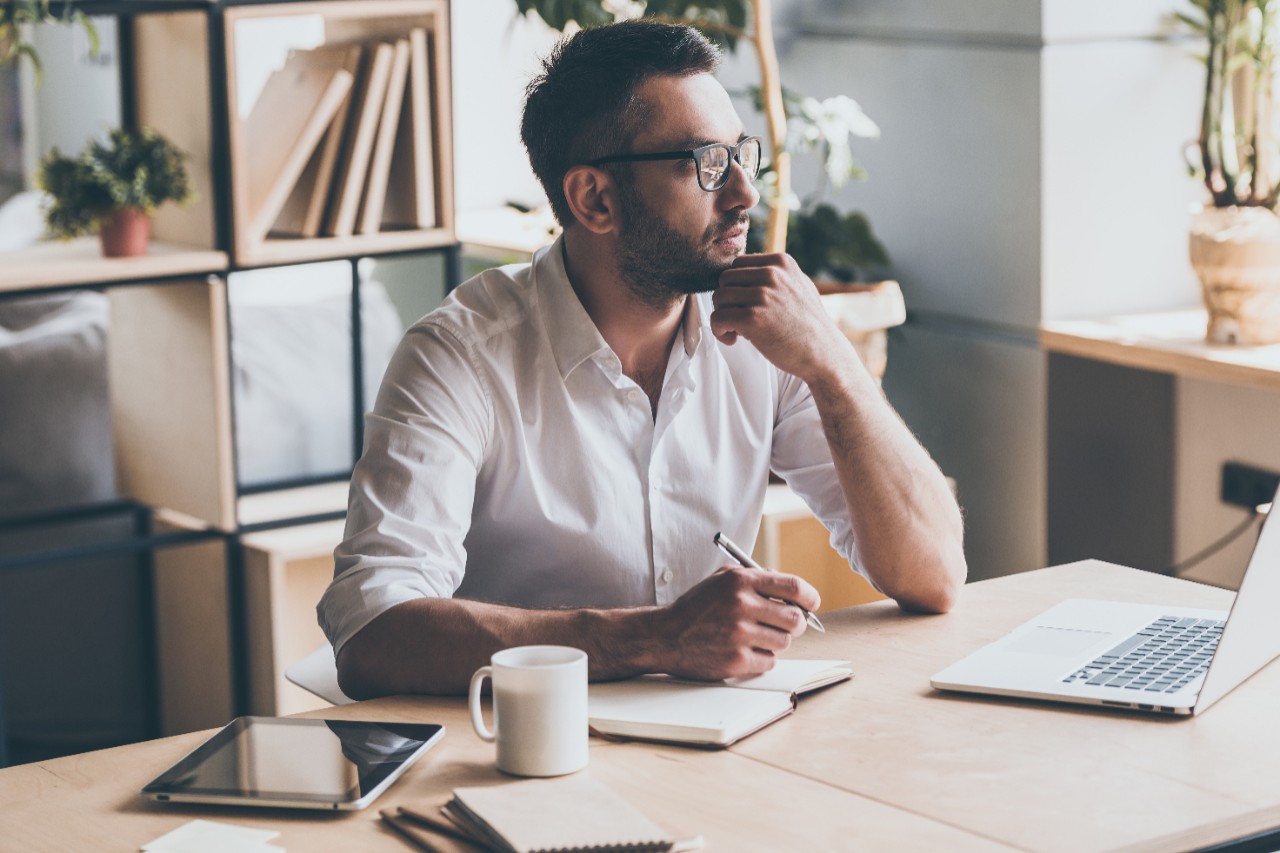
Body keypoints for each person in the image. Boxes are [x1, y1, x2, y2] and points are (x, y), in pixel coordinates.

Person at [318, 19, 966, 698]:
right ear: (595, 198)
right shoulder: (459, 358)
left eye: (742, 154)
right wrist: (656, 637)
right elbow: (372, 633)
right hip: (524, 757)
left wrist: (835, 365)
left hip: (722, 742)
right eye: (706, 165)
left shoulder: (769, 335)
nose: (746, 193)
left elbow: (935, 573)